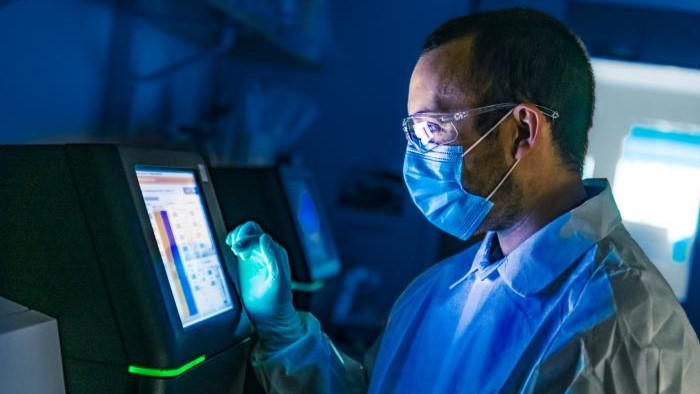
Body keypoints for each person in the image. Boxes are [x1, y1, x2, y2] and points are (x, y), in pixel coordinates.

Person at [226, 8, 700, 393]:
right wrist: (284, 332)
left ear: (521, 131)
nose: (416, 158)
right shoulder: (444, 287)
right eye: (414, 132)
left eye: (433, 129)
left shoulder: (623, 328)